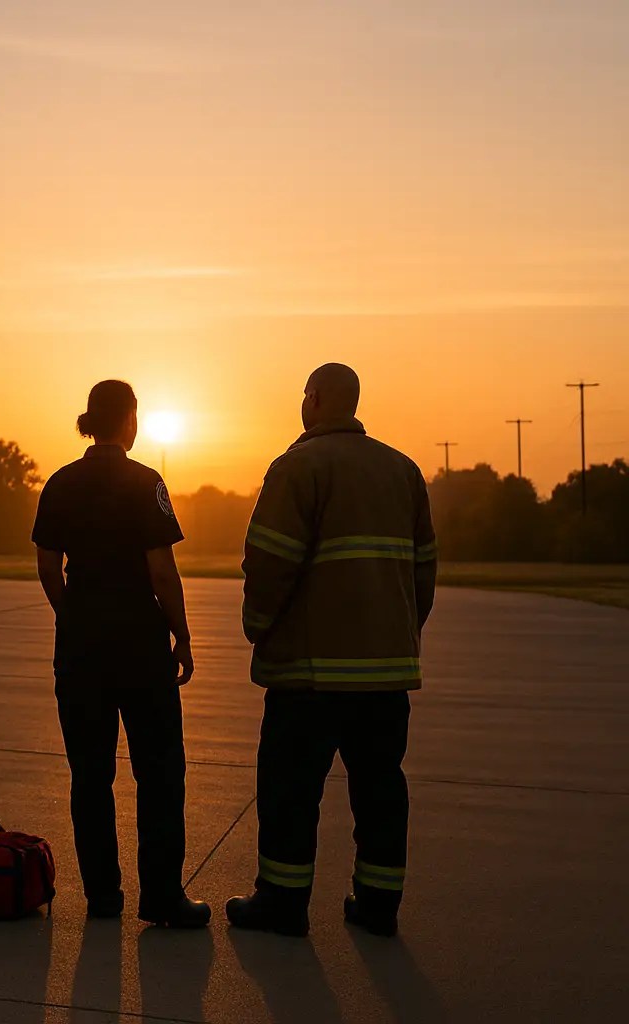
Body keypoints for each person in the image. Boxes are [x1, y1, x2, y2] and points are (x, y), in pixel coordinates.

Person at [225, 363, 437, 938]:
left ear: (314, 400)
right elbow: (423, 571)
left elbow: (270, 563)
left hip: (309, 675)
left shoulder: (298, 468)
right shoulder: (404, 471)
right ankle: (378, 906)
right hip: (386, 673)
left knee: (291, 792)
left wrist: (258, 626)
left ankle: (283, 904)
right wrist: (398, 634)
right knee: (380, 792)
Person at [32, 379, 210, 928]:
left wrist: (73, 615)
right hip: (140, 648)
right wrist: (180, 634)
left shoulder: (60, 483)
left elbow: (46, 566)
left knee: (90, 775)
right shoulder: (147, 482)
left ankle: (103, 898)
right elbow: (161, 570)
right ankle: (160, 896)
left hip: (81, 648)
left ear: (91, 419)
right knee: (159, 773)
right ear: (129, 419)